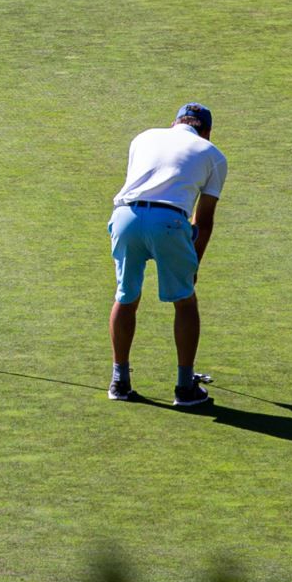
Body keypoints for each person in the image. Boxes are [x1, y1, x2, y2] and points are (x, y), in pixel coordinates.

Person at [107, 102, 225, 407]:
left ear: (175, 123)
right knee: (185, 301)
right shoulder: (213, 155)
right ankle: (185, 388)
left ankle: (119, 382)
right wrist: (194, 264)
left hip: (125, 217)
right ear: (207, 132)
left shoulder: (143, 137)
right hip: (169, 223)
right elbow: (204, 221)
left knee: (126, 296)